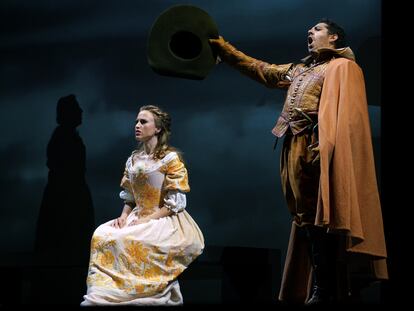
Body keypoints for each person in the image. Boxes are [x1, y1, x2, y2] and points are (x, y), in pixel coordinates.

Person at [209, 19, 387, 304]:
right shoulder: (300, 69)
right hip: (293, 144)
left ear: (334, 38)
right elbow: (262, 70)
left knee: (326, 215)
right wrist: (223, 49)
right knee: (305, 216)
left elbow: (348, 118)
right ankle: (321, 286)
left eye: (317, 30)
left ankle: (325, 288)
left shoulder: (342, 68)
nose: (310, 33)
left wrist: (326, 145)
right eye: (310, 30)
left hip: (318, 146)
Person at [81, 105, 204, 306]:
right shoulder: (133, 159)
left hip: (163, 218)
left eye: (143, 121)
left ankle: (140, 291)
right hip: (137, 214)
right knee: (102, 234)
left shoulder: (170, 159)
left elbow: (175, 202)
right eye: (137, 121)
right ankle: (109, 292)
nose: (137, 125)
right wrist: (123, 216)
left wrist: (148, 219)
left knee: (128, 238)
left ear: (157, 128)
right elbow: (130, 195)